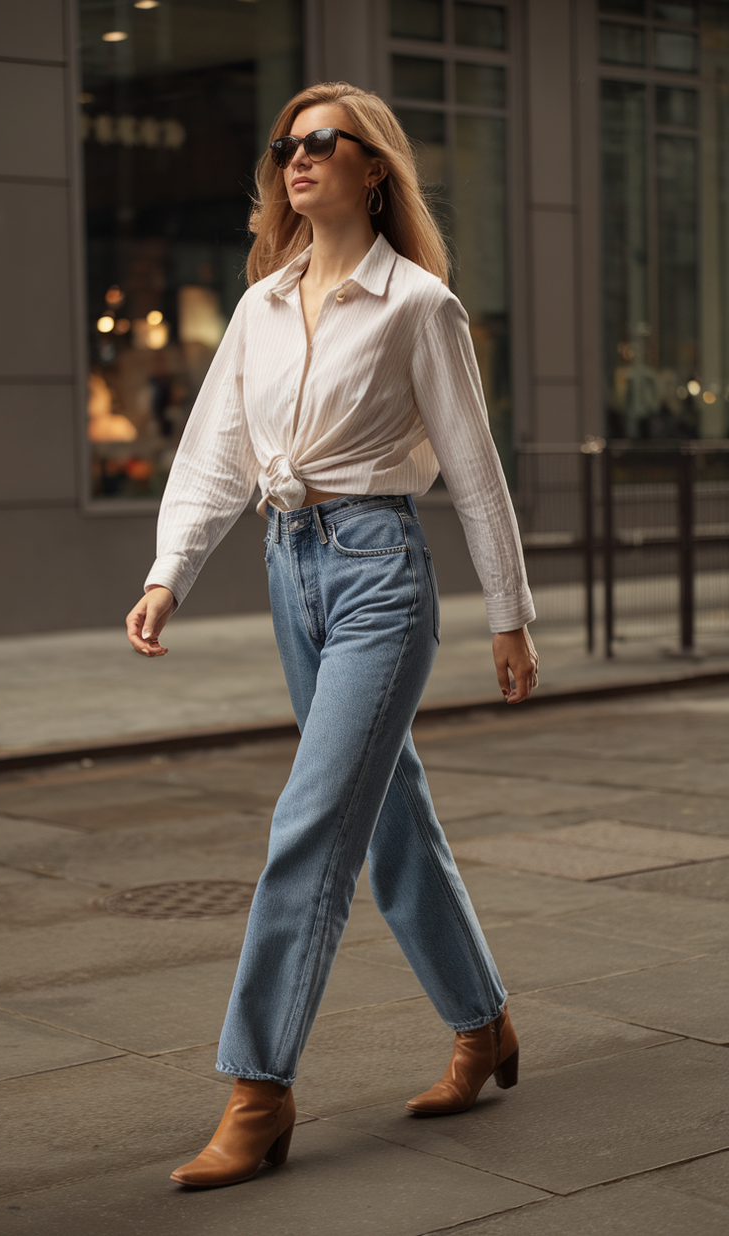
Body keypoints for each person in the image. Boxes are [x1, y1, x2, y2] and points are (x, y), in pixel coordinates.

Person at [125, 81, 539, 1190]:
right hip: (287, 568)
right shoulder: (257, 307)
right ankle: (483, 1023)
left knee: (309, 827)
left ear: (372, 169)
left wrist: (509, 614)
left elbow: (473, 471)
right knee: (389, 816)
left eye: (322, 142)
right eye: (284, 146)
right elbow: (212, 456)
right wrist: (169, 571)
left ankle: (257, 1091)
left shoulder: (416, 307)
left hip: (377, 579)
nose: (295, 158)